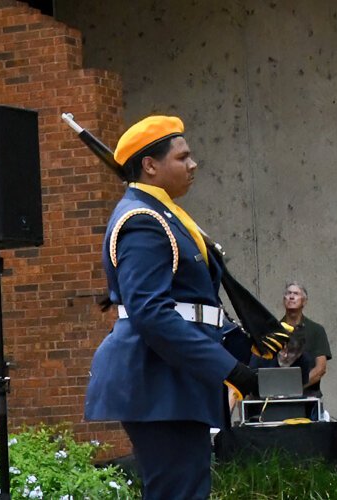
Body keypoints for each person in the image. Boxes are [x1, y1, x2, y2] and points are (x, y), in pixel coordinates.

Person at [83, 115, 261, 499]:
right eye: (183, 157)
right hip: (159, 380)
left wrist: (248, 355)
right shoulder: (142, 220)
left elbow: (197, 307)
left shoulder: (166, 216)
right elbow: (151, 312)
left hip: (174, 380)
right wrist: (229, 370)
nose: (193, 165)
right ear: (150, 165)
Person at [249, 281, 331, 397]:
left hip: (308, 397)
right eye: (288, 293)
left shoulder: (316, 330)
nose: (291, 297)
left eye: (296, 294)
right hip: (274, 398)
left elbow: (320, 369)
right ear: (284, 300)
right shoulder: (272, 331)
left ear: (304, 301)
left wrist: (294, 389)